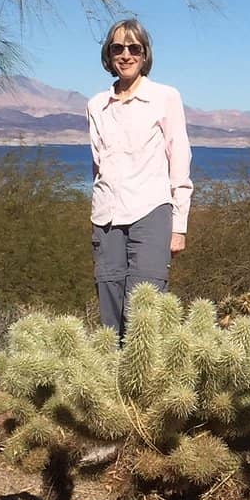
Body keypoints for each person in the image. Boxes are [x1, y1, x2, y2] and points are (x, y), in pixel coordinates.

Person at [86, 18, 193, 337]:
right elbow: (98, 163)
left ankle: (144, 383)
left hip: (151, 211)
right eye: (118, 47)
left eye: (134, 48)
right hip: (106, 217)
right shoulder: (96, 105)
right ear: (109, 54)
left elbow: (180, 159)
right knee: (110, 310)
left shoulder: (165, 97)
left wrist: (179, 225)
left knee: (144, 308)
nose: (126, 54)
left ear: (145, 55)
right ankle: (110, 380)